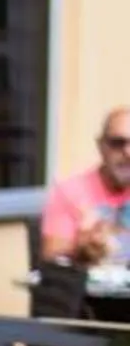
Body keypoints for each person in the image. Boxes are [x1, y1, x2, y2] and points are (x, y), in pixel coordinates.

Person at [41, 108, 130, 266]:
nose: (128, 152)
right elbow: (52, 262)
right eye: (118, 143)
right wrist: (81, 251)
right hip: (87, 289)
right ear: (101, 146)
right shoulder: (70, 191)